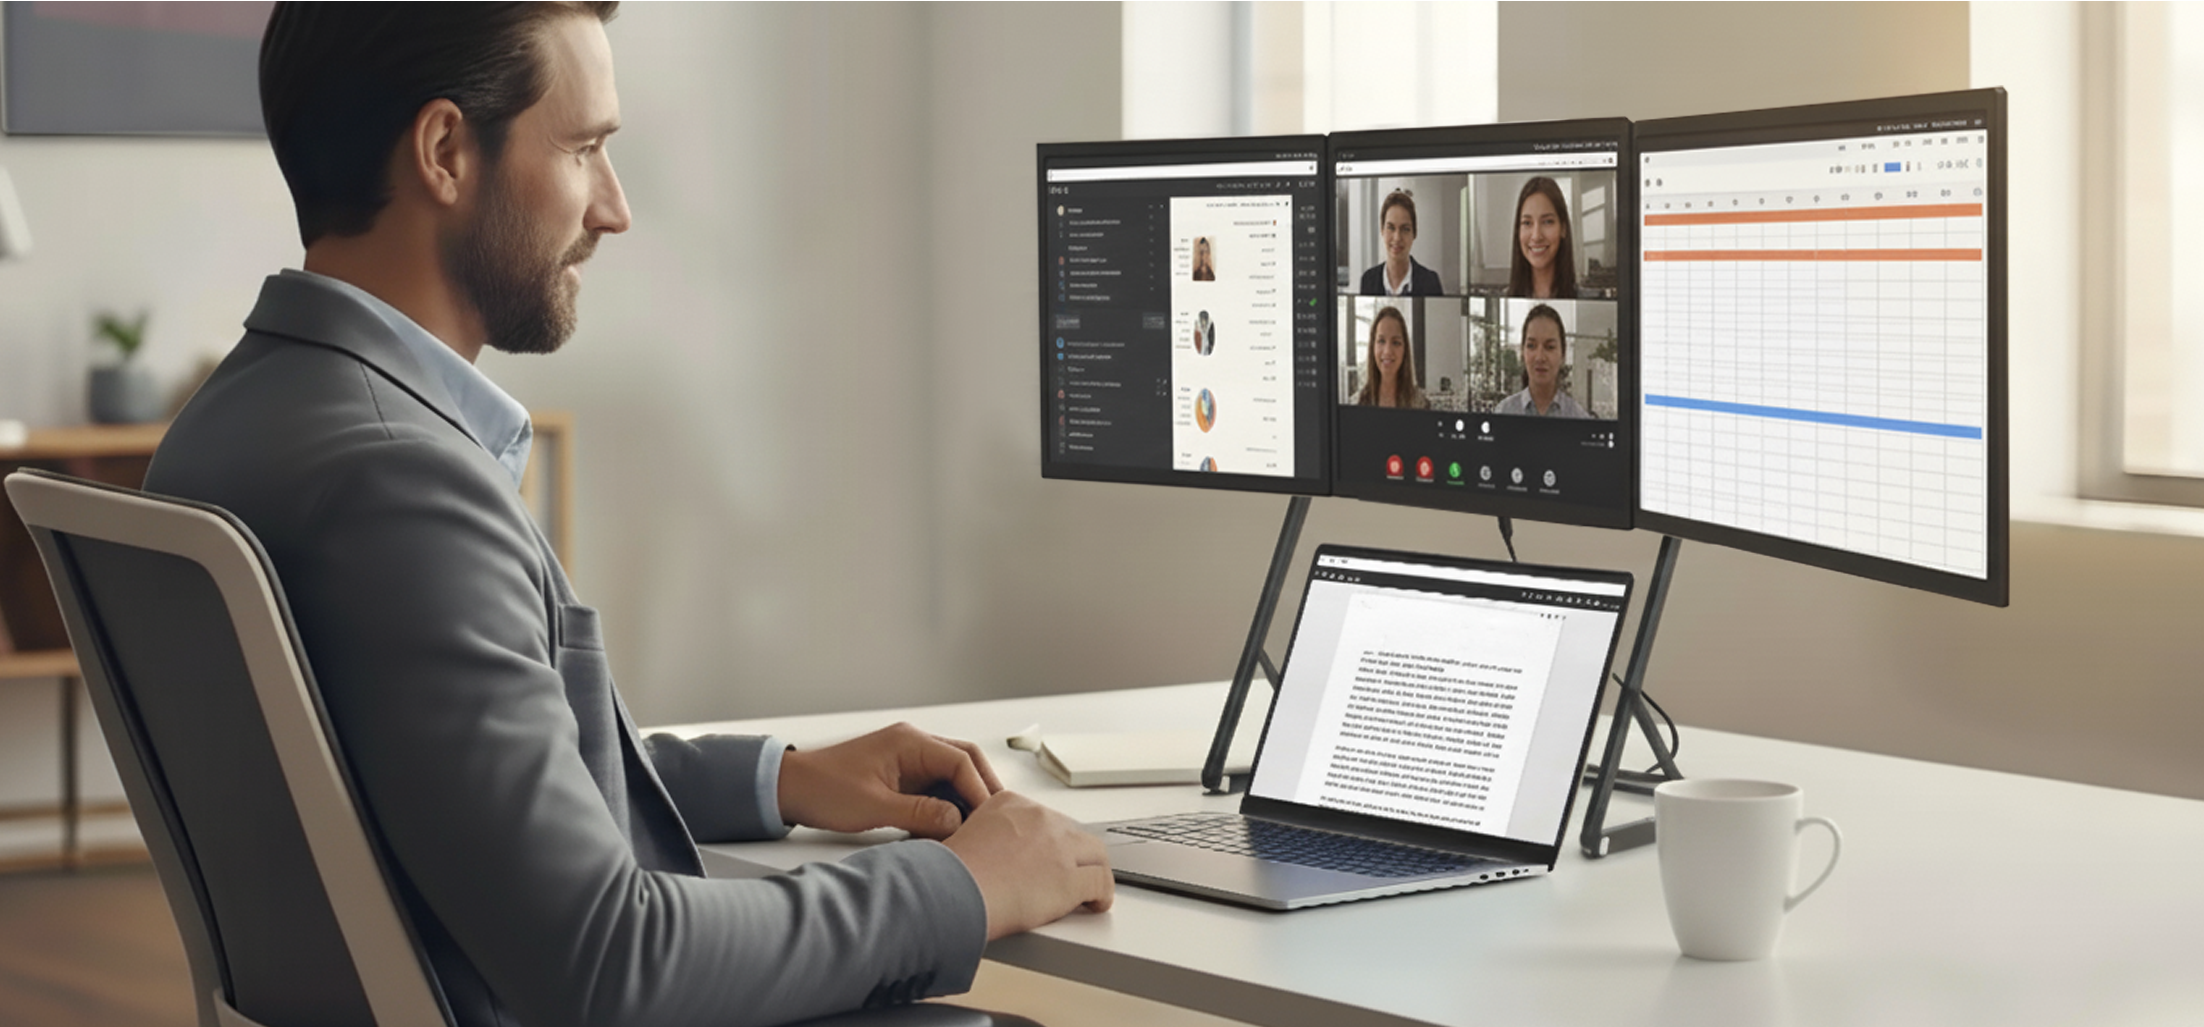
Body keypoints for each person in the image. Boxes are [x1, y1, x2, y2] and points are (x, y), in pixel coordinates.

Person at [142, 5, 1111, 1026]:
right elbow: (610, 961)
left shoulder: (232, 422)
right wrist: (966, 885)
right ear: (443, 152)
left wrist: (780, 778)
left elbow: (453, 794)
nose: (614, 209)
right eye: (585, 149)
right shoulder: (401, 487)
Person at [1495, 303, 1590, 418]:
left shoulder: (1578, 416)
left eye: (1549, 347)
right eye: (1531, 346)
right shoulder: (1504, 412)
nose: (1540, 357)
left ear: (1563, 354)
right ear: (1522, 352)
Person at [1357, 189, 1443, 296]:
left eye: (1405, 229)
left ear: (1414, 233)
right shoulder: (1368, 280)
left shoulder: (1430, 282)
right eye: (1391, 228)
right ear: (1382, 230)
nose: (1397, 238)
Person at [1507, 176, 1577, 299]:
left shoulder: (1586, 298)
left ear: (1563, 228)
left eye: (1547, 222)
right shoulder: (1504, 299)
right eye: (1527, 223)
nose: (1536, 236)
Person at [1352, 305, 1427, 408]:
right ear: (1372, 347)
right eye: (1381, 341)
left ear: (1405, 349)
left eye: (1396, 343)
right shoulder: (1357, 402)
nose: (1387, 351)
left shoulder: (1420, 403)